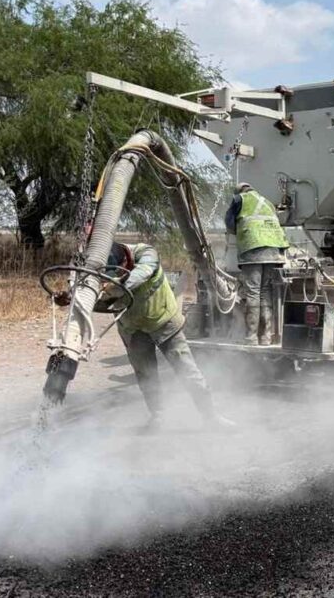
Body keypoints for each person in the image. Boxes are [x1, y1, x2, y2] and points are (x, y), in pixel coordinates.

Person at [100, 241, 234, 431]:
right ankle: (158, 417)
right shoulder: (100, 267)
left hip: (164, 321)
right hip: (133, 328)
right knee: (146, 376)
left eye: (118, 271)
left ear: (125, 259)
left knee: (187, 370)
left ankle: (211, 416)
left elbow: (139, 276)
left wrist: (110, 288)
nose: (115, 276)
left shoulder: (146, 253)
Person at [225, 182, 289, 345]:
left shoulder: (239, 199)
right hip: (274, 250)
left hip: (254, 248)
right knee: (265, 291)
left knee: (253, 292)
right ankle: (266, 337)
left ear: (239, 191)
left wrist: (238, 232)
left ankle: (251, 337)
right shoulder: (267, 201)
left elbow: (229, 224)